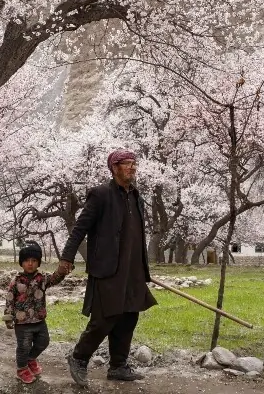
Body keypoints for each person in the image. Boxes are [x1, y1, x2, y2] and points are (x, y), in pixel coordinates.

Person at [58, 148, 157, 387]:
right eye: (127, 164)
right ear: (114, 168)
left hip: (133, 269)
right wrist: (66, 258)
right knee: (104, 318)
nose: (132, 168)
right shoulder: (100, 194)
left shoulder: (136, 196)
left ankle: (118, 366)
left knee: (129, 317)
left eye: (134, 163)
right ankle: (79, 357)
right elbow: (80, 228)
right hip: (108, 269)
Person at [3, 241, 66, 384]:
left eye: (34, 260)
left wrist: (62, 270)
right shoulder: (16, 280)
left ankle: (31, 359)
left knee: (44, 342)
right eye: (26, 261)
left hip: (39, 319)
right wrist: (8, 317)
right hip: (22, 322)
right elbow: (9, 299)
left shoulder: (42, 279)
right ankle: (22, 369)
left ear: (38, 263)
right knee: (23, 346)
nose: (30, 263)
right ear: (21, 263)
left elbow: (55, 278)